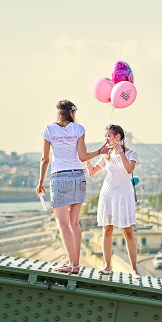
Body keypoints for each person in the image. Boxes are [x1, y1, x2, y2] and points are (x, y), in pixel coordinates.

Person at [37, 100, 107, 274]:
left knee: (63, 224)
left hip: (60, 178)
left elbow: (45, 159)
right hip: (78, 176)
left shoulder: (48, 130)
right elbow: (83, 157)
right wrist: (100, 151)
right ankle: (76, 264)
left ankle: (73, 265)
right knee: (74, 223)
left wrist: (40, 183)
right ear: (72, 113)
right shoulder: (79, 129)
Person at [86, 124, 141, 278]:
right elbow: (92, 172)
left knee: (128, 231)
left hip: (124, 195)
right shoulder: (106, 155)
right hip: (108, 194)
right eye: (106, 136)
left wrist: (120, 150)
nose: (107, 139)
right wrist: (87, 159)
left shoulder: (132, 153)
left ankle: (134, 269)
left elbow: (129, 169)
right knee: (107, 229)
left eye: (109, 136)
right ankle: (107, 266)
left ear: (118, 136)